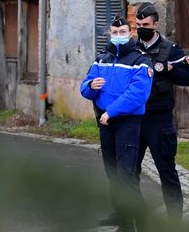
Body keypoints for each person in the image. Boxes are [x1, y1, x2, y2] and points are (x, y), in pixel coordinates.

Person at [80, 15, 154, 231]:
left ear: (130, 33)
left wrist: (111, 112)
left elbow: (138, 94)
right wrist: (91, 85)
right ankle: (124, 224)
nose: (119, 36)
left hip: (127, 123)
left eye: (122, 32)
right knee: (113, 175)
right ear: (110, 33)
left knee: (126, 176)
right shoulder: (102, 58)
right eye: (115, 32)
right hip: (106, 123)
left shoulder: (140, 59)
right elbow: (84, 87)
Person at [133, 2, 189, 222]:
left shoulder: (171, 48)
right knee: (129, 173)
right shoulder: (131, 47)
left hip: (159, 119)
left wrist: (168, 69)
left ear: (156, 24)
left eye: (146, 24)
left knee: (167, 172)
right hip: (134, 119)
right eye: (138, 24)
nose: (142, 28)